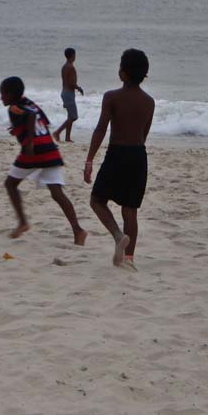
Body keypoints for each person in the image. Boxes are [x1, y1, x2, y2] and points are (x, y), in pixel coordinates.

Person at [83, 49, 155, 268]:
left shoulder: (111, 97)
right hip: (138, 155)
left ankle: (117, 235)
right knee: (130, 209)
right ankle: (129, 259)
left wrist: (89, 160)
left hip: (117, 153)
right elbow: (144, 134)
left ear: (123, 73)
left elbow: (100, 129)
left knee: (97, 200)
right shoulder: (149, 102)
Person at [0, 76, 87, 245]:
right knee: (57, 193)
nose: (1, 98)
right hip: (50, 150)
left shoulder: (14, 108)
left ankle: (23, 222)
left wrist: (30, 141)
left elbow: (31, 117)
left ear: (11, 95)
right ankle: (78, 230)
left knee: (10, 184)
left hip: (34, 151)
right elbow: (40, 120)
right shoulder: (30, 102)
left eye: (3, 94)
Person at [52, 47, 84, 142]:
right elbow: (71, 83)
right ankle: (57, 132)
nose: (75, 56)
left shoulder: (64, 66)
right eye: (74, 55)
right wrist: (79, 88)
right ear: (72, 56)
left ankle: (67, 137)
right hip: (68, 94)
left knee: (70, 116)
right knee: (74, 117)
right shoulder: (71, 67)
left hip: (65, 93)